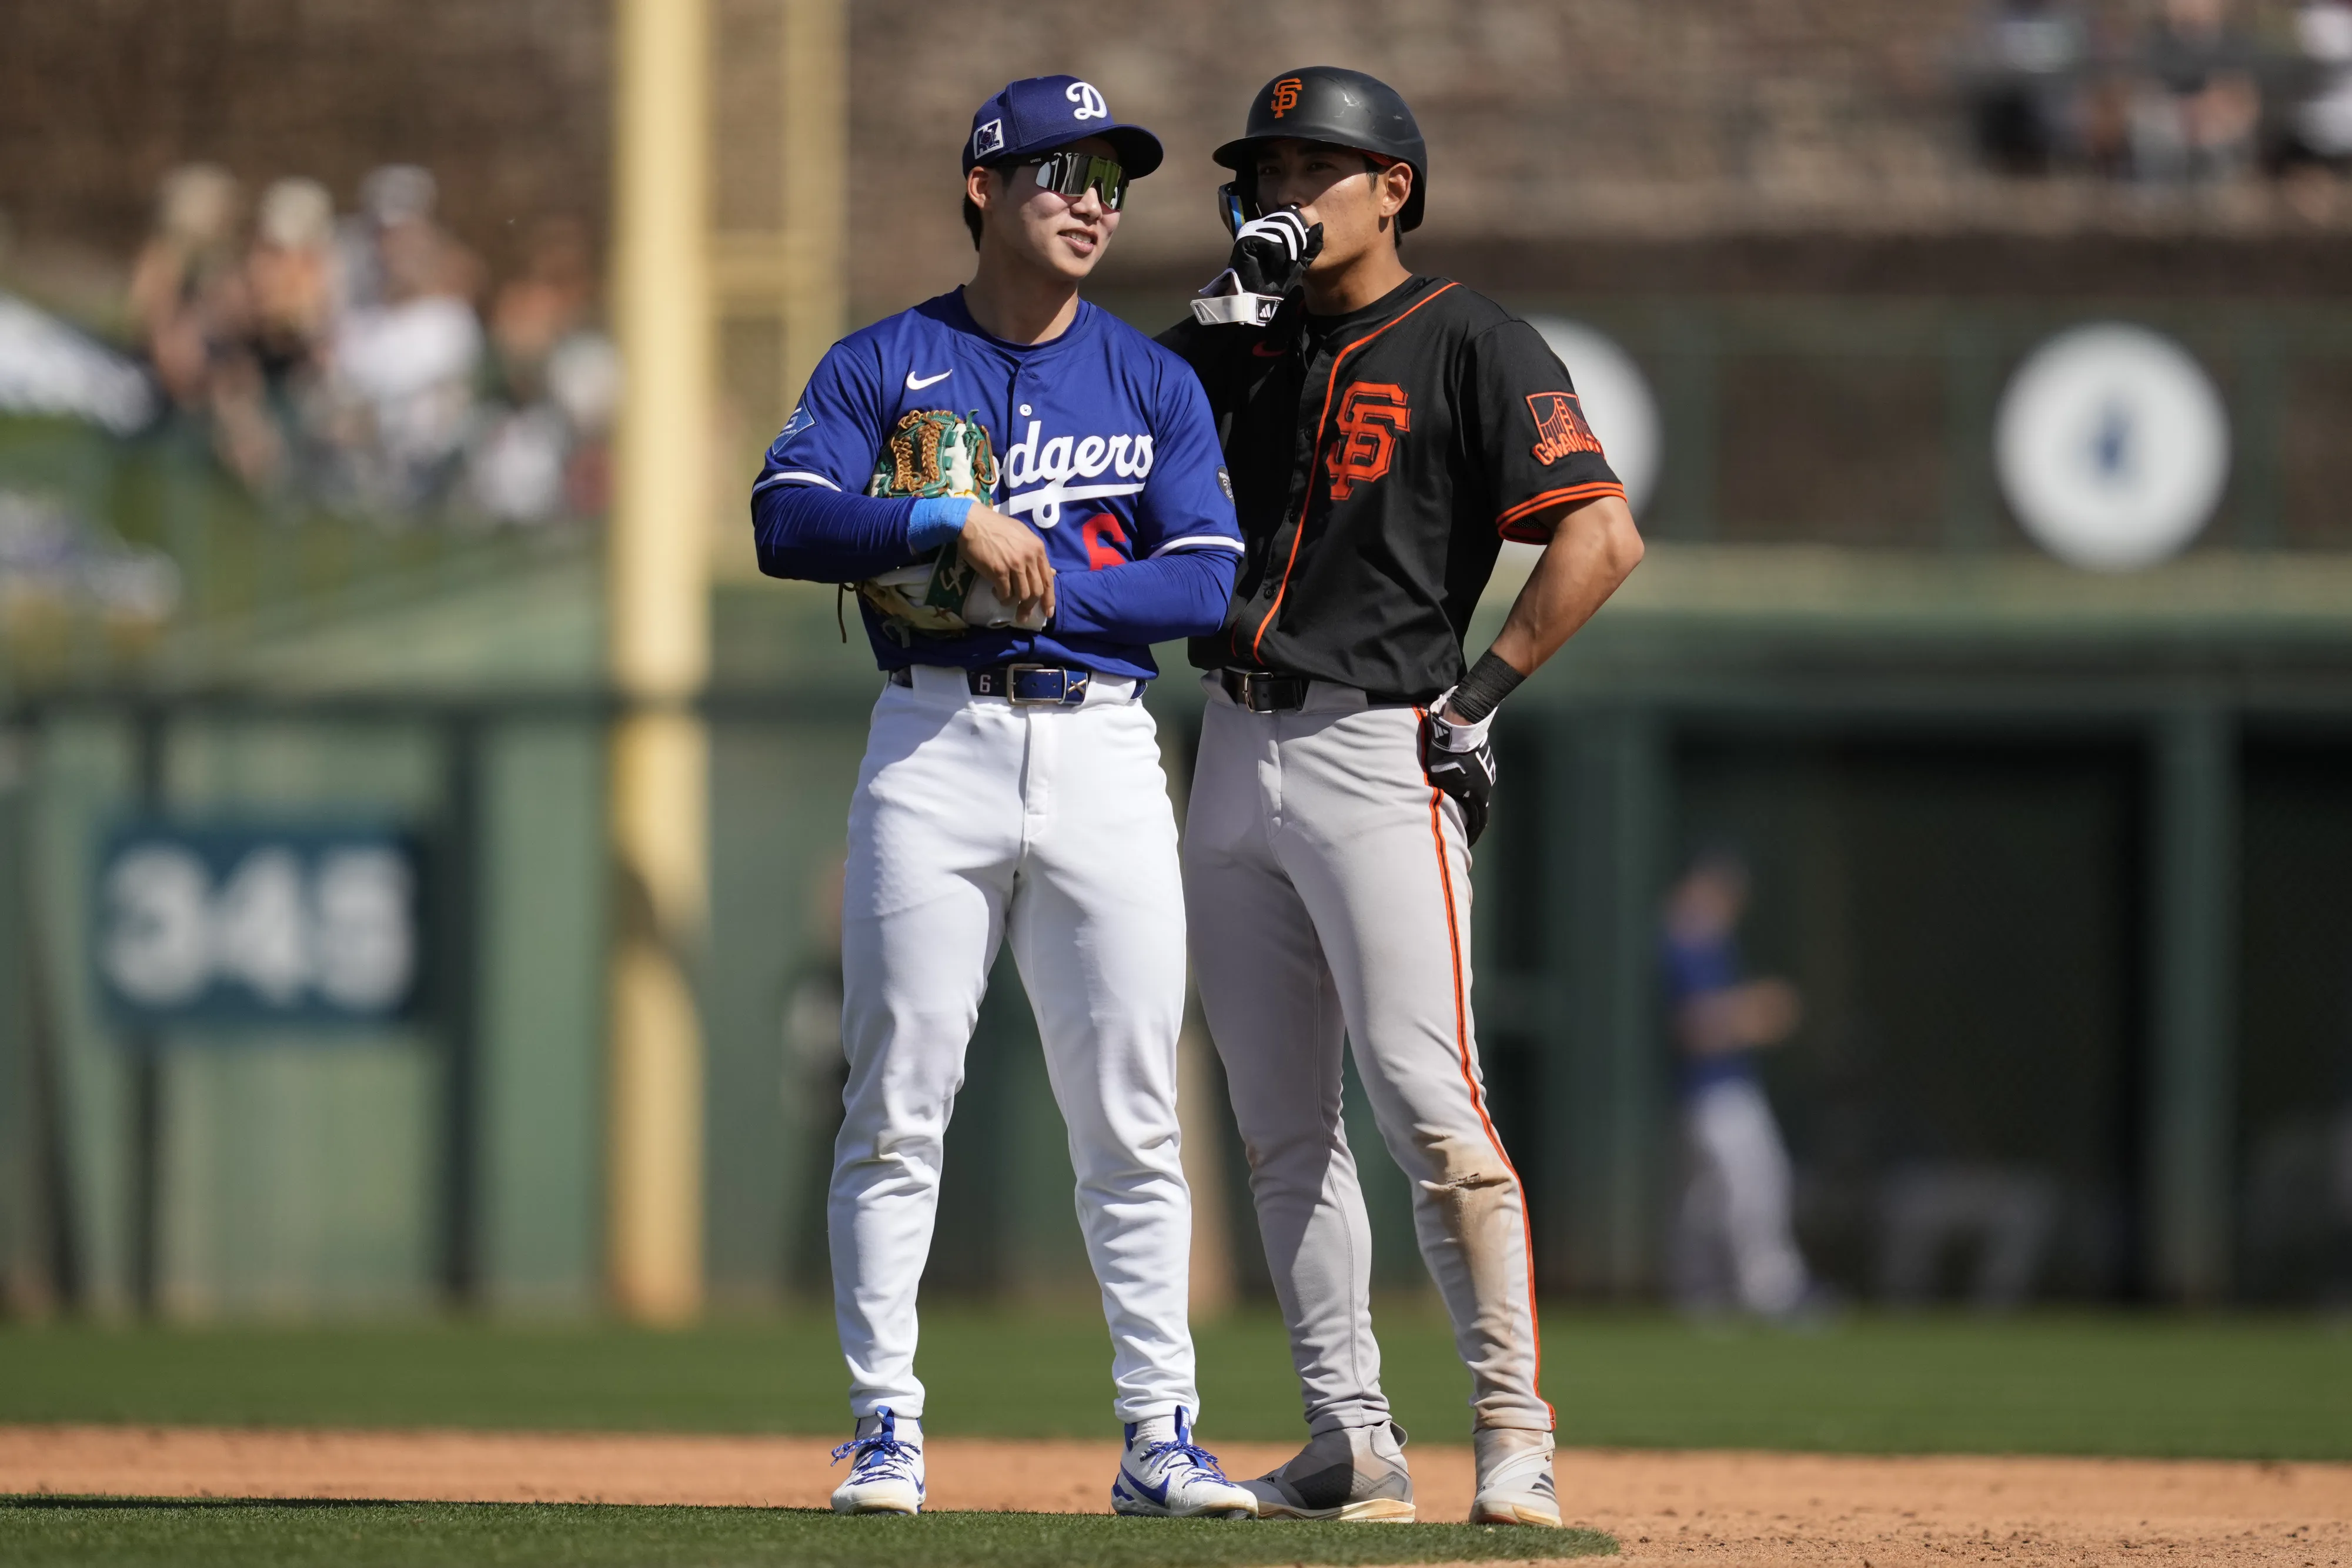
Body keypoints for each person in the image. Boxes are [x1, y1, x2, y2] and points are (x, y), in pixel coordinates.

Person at [750, 74, 1256, 1521]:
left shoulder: (1151, 379)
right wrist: (942, 520)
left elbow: (1206, 574)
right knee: (897, 1100)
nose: (1094, 199)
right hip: (931, 747)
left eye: (1110, 177)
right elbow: (785, 516)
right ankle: (885, 1430)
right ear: (984, 188)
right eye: (1061, 172)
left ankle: (1160, 1437)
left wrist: (1043, 583)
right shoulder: (883, 360)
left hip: (1101, 747)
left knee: (1133, 1115)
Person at [1157, 68, 1645, 1528]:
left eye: (1321, 166)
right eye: (1268, 169)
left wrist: (1479, 698)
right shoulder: (1235, 348)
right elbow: (1099, 438)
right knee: (1277, 1128)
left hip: (1379, 746)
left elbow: (1600, 538)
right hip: (1229, 744)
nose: (1287, 191)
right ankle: (1349, 1442)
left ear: (1394, 189)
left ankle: (1514, 1435)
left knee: (1431, 1109)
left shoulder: (1471, 341)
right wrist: (1197, 324)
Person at [1659, 850, 1813, 1320]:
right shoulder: (1679, 945)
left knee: (1706, 1201)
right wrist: (1756, 1012)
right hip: (1712, 1092)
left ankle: (1702, 1296)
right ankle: (1771, 1289)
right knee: (1753, 1186)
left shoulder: (1712, 946)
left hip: (1719, 1090)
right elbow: (1694, 1028)